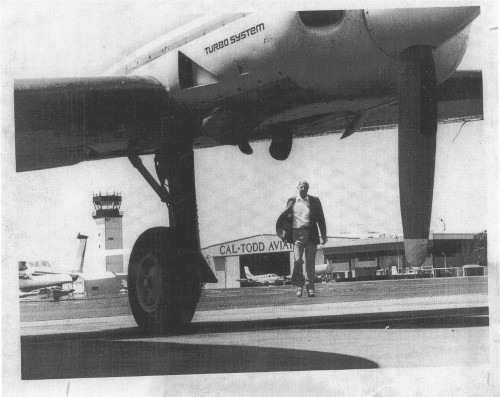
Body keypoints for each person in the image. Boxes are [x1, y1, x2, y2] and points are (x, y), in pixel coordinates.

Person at [276, 180, 327, 297]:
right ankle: (299, 286)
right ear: (297, 187)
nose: (303, 189)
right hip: (296, 234)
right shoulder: (291, 201)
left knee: (310, 262)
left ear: (308, 189)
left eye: (305, 187)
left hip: (311, 234)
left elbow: (321, 219)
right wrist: (283, 234)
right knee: (297, 260)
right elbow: (285, 219)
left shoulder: (314, 201)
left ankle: (310, 288)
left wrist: (324, 235)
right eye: (301, 187)